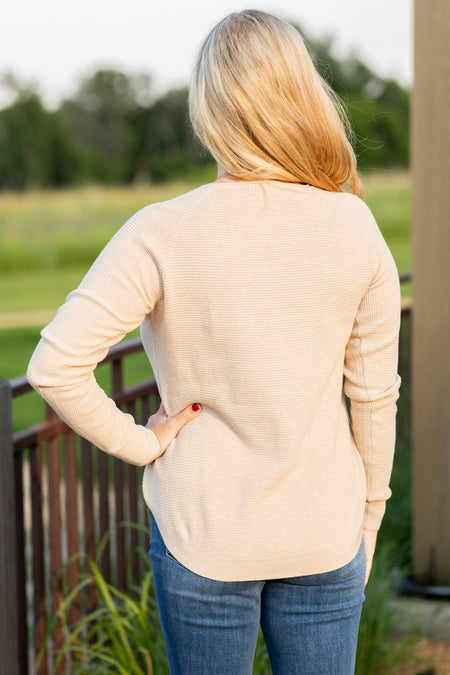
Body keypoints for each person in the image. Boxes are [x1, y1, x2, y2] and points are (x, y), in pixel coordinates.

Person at [27, 9, 401, 674]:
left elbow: (55, 366)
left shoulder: (161, 230)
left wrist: (142, 443)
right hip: (326, 532)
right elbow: (374, 397)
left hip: (204, 533)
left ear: (212, 109)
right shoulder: (355, 226)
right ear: (301, 93)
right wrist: (368, 523)